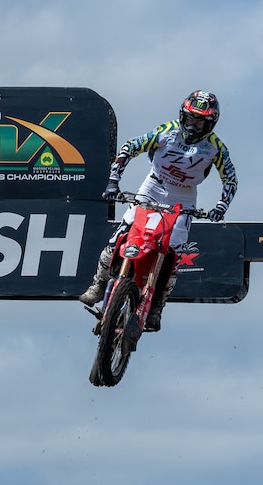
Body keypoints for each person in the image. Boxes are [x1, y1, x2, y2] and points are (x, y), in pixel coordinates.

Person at [79, 90, 238, 331]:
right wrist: (113, 181)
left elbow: (230, 179)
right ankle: (98, 285)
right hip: (153, 186)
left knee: (173, 253)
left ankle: (156, 307)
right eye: (190, 118)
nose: (193, 125)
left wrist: (221, 206)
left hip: (183, 196)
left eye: (200, 121)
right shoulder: (166, 131)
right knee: (120, 236)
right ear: (182, 115)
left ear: (210, 123)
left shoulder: (216, 147)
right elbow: (130, 147)